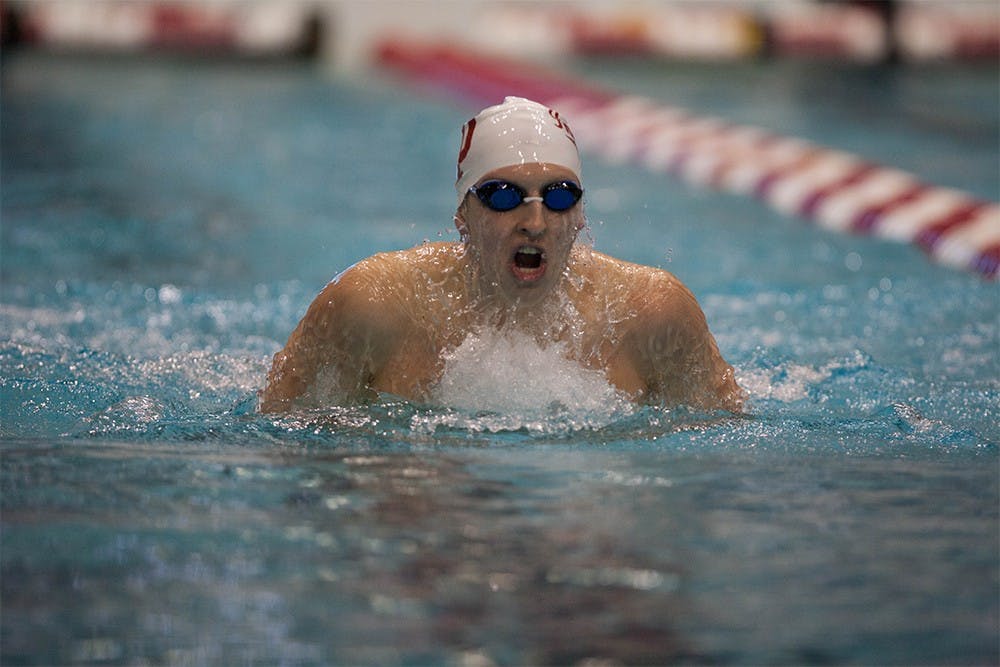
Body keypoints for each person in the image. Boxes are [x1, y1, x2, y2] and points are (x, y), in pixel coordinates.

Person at [259, 96, 744, 413]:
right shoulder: (372, 306)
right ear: (462, 215)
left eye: (557, 196)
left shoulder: (653, 313)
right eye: (503, 196)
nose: (534, 222)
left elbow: (723, 451)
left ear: (579, 216)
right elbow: (279, 434)